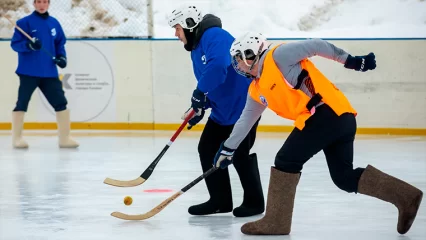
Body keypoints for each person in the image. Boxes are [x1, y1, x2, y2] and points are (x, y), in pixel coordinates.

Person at [213, 32, 423, 235]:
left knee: (286, 160)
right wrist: (228, 149)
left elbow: (316, 45)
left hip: (327, 113)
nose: (237, 65)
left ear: (251, 54)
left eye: (238, 59)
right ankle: (406, 197)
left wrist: (350, 61)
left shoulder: (278, 55)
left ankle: (276, 222)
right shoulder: (257, 88)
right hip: (338, 119)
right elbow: (245, 120)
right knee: (343, 177)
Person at [167, 6, 264, 217]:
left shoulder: (214, 36)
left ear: (189, 24)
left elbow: (219, 67)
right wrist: (201, 105)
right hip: (222, 111)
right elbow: (217, 82)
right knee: (207, 149)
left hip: (243, 108)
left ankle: (255, 202)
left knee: (239, 153)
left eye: (177, 28)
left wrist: (199, 92)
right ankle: (220, 200)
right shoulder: (196, 48)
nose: (175, 34)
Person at [10, 0, 79, 149]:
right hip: (28, 72)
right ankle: (17, 138)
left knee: (60, 102)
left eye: (44, 2)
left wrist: (62, 57)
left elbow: (60, 43)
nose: (42, 5)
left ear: (48, 4)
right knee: (22, 102)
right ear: (34, 4)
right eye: (39, 2)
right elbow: (15, 44)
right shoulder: (24, 23)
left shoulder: (54, 23)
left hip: (49, 72)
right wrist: (28, 45)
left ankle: (64, 138)